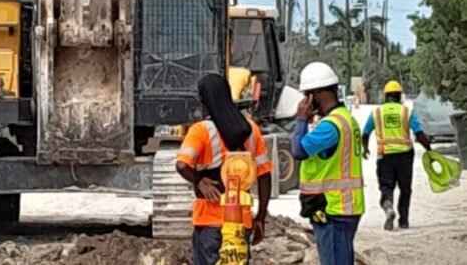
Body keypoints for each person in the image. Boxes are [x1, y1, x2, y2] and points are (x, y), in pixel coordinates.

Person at [176, 73, 273, 265]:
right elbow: (264, 175)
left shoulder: (201, 130)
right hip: (241, 222)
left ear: (203, 100)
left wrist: (199, 180)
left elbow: (181, 165)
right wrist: (260, 217)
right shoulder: (252, 130)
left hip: (209, 222)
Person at [291, 62, 364, 265]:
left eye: (307, 95)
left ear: (317, 94)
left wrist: (301, 120)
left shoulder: (330, 126)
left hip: (332, 208)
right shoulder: (345, 119)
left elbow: (298, 150)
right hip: (344, 207)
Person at [362, 80, 431, 230]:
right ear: (400, 96)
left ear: (385, 96)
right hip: (405, 156)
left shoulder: (377, 112)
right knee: (405, 189)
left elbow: (365, 133)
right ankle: (404, 221)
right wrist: (429, 149)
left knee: (386, 187)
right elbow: (419, 134)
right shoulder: (407, 112)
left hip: (385, 156)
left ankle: (388, 208)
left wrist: (365, 148)